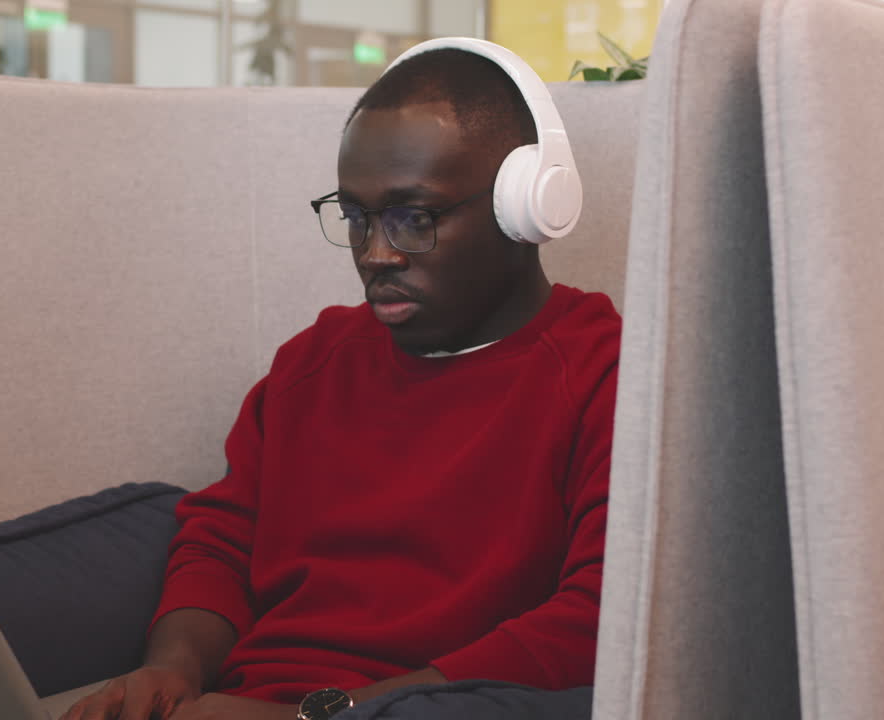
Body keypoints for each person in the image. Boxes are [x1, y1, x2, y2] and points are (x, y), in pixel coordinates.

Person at [63, 38, 620, 720]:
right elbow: (221, 540)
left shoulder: (605, 374)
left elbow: (604, 619)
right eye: (355, 218)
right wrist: (169, 669)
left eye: (414, 218)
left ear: (527, 208)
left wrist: (326, 715)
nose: (375, 255)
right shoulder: (314, 361)